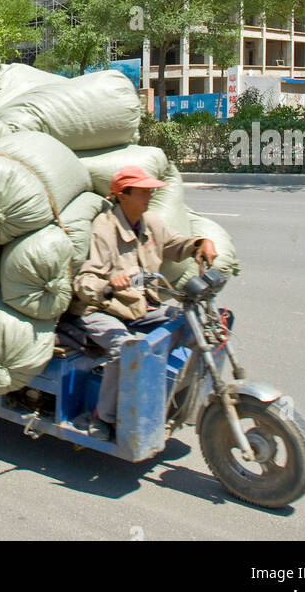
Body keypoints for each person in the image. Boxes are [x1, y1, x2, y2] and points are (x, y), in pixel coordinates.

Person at [66, 164, 218, 440]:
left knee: (193, 326)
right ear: (123, 194)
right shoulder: (104, 227)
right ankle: (102, 416)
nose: (148, 198)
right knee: (124, 348)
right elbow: (85, 281)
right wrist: (110, 283)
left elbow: (175, 245)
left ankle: (172, 401)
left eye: (150, 192)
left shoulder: (152, 223)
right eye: (142, 192)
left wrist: (199, 244)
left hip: (140, 306)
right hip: (101, 308)